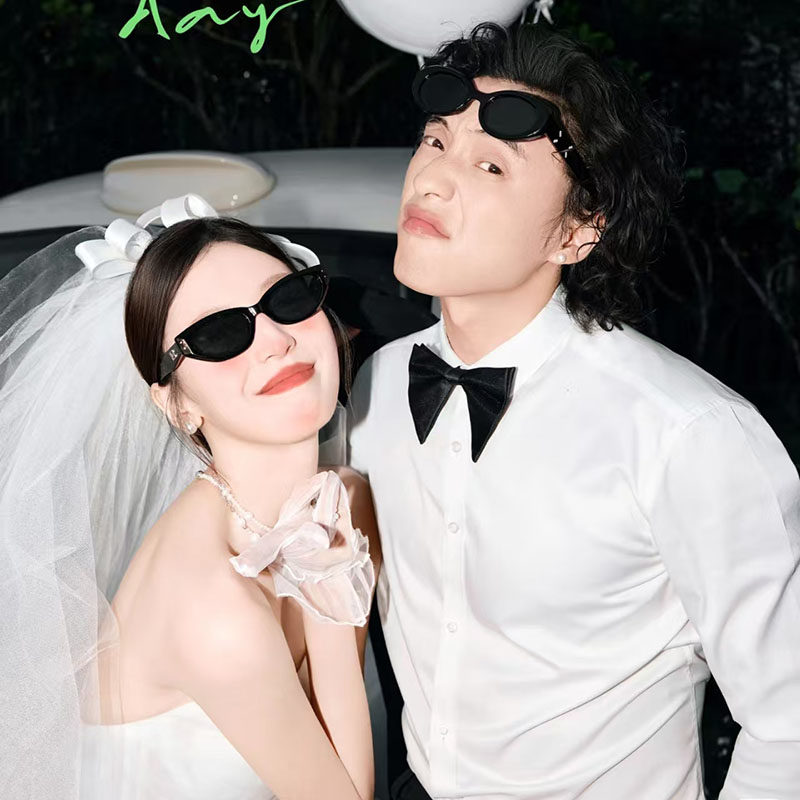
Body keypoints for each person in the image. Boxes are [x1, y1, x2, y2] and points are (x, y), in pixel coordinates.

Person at [348, 22, 800, 800]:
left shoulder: (686, 433)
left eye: (490, 164)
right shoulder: (376, 387)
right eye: (435, 142)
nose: (432, 181)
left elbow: (788, 723)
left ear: (577, 231)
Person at [0, 194, 380, 799]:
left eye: (287, 299)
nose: (275, 341)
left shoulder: (341, 502)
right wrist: (333, 605)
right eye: (218, 333)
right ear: (176, 403)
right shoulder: (212, 607)